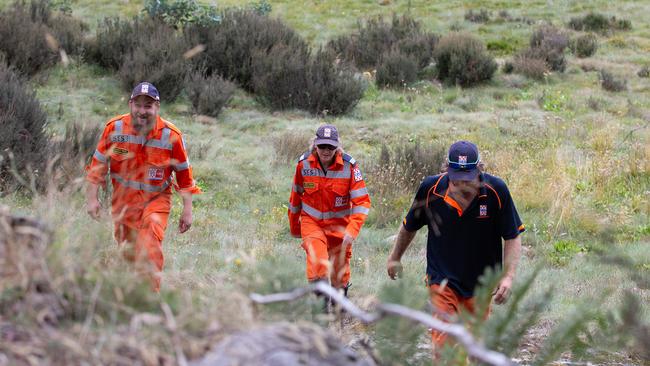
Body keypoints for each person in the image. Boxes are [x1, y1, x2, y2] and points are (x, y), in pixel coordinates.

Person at [386, 140, 524, 353]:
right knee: (443, 347)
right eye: (457, 180)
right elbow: (409, 226)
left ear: (479, 169)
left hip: (481, 283)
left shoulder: (496, 191)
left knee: (475, 349)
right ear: (447, 171)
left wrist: (508, 276)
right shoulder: (430, 189)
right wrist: (395, 257)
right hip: (441, 281)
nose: (463, 185)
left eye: (468, 179)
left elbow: (512, 236)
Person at [85, 82, 201, 292]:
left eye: (148, 106)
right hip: (123, 203)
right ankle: (130, 296)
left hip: (156, 202)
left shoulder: (171, 135)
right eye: (137, 105)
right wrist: (92, 199)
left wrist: (187, 210)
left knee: (148, 248)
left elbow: (184, 175)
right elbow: (98, 165)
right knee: (128, 252)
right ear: (130, 104)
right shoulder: (115, 128)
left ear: (157, 107)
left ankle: (149, 301)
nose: (142, 111)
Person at [288, 124, 371, 304]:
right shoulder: (303, 165)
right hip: (313, 223)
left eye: (331, 147)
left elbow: (362, 202)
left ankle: (340, 310)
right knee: (318, 264)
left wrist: (352, 230)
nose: (326, 150)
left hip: (340, 225)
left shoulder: (350, 167)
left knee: (339, 274)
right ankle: (321, 313)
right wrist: (295, 228)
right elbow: (295, 198)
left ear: (337, 147)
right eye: (322, 146)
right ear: (315, 145)